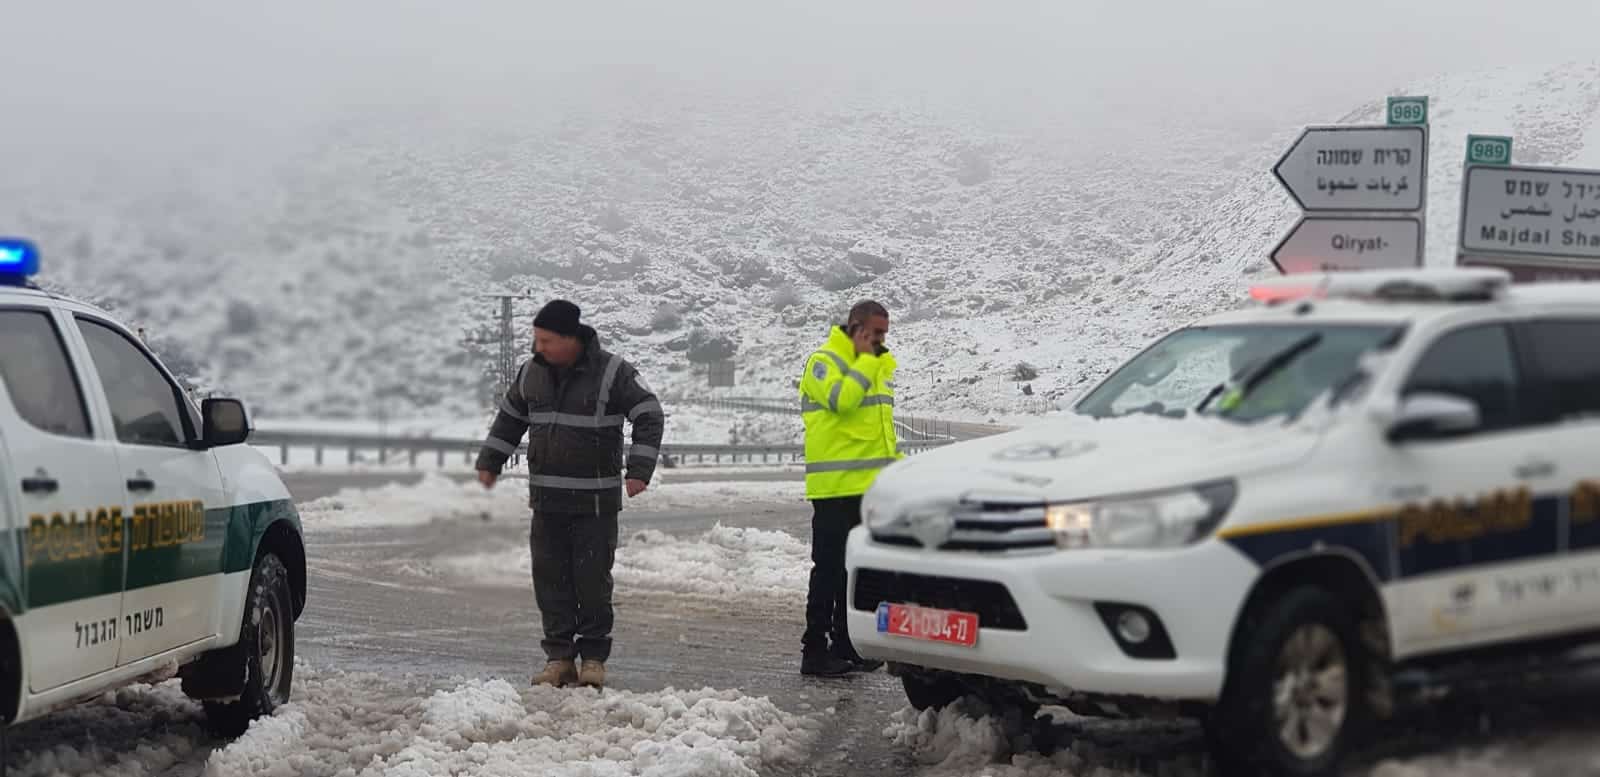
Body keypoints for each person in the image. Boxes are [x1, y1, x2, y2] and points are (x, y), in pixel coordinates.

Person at [475, 299, 664, 690]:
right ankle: (559, 658)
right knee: (550, 582)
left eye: (546, 340)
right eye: (536, 339)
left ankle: (593, 658)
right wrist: (490, 462)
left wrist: (639, 470)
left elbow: (649, 412)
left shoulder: (613, 372)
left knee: (592, 581)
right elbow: (509, 420)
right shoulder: (531, 373)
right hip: (546, 502)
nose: (538, 347)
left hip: (595, 504)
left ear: (569, 338)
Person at [796, 300, 901, 676]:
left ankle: (845, 643)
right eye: (873, 332)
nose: (879, 340)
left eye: (884, 333)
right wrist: (867, 362)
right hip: (834, 487)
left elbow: (881, 434)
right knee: (827, 569)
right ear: (854, 328)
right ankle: (814, 649)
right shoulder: (824, 362)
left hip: (868, 489)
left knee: (852, 570)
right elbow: (842, 402)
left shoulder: (877, 369)